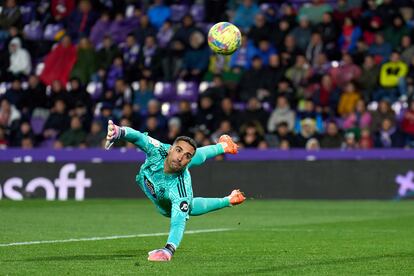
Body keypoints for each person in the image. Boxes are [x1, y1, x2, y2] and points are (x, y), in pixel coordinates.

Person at [105, 120, 245, 262]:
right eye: (178, 150)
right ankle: (224, 146)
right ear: (170, 149)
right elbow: (138, 137)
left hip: (166, 206)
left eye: (186, 157)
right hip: (157, 177)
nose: (180, 158)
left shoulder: (180, 189)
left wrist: (168, 250)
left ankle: (228, 200)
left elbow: (178, 223)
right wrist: (119, 131)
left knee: (188, 206)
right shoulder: (159, 150)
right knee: (193, 154)